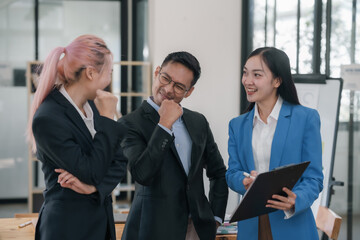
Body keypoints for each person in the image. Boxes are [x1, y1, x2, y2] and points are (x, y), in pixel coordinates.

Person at [27, 34, 128, 240]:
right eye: (109, 73)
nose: (109, 80)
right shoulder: (48, 118)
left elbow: (119, 160)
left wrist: (94, 188)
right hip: (67, 227)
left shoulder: (94, 105)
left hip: (101, 223)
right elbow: (91, 170)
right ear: (91, 73)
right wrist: (109, 118)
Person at [118, 51, 229, 240]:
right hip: (153, 228)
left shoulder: (198, 122)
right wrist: (164, 125)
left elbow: (218, 172)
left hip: (197, 229)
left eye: (179, 86)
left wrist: (215, 218)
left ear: (189, 91)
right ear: (157, 72)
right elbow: (142, 174)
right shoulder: (130, 124)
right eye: (165, 78)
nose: (168, 89)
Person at [226, 47, 323, 239]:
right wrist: (243, 182)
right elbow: (232, 172)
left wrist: (296, 200)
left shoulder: (305, 118)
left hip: (292, 224)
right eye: (245, 73)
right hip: (251, 226)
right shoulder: (237, 125)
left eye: (257, 75)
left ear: (277, 80)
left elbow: (314, 178)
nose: (247, 80)